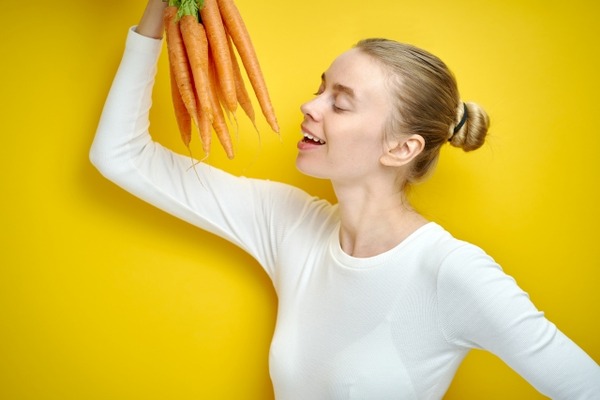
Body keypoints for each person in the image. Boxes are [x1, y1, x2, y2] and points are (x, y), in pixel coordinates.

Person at [90, 0, 600, 398]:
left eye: (340, 101)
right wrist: (160, 12)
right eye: (320, 89)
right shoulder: (289, 223)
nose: (308, 107)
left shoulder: (451, 272)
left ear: (401, 148)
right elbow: (121, 155)